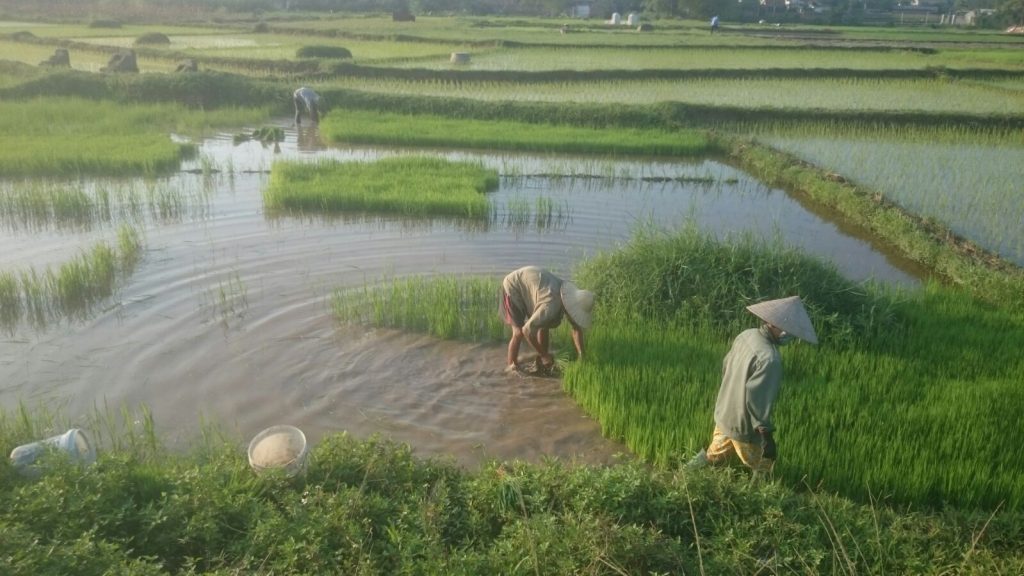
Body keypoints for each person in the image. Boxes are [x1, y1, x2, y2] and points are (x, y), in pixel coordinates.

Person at [689, 296, 818, 475]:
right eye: (787, 330)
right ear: (772, 323)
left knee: (712, 454)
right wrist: (766, 436)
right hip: (744, 427)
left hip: (725, 413)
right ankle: (759, 498)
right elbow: (758, 401)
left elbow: (726, 366)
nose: (789, 335)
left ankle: (681, 474)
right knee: (764, 466)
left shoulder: (745, 335)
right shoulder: (770, 359)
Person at [501, 266, 595, 375]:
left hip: (535, 286)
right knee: (518, 333)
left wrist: (581, 355)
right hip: (513, 287)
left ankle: (543, 361)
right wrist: (544, 355)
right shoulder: (550, 305)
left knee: (544, 324)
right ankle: (511, 369)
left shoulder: (570, 295)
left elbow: (576, 328)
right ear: (570, 305)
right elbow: (527, 331)